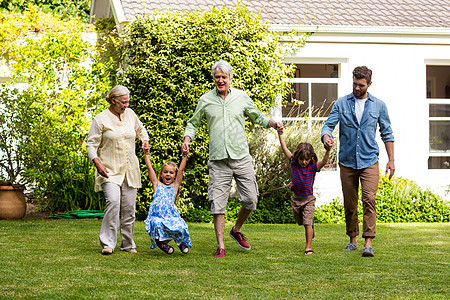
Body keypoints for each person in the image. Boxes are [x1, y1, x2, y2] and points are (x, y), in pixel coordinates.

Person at [182, 60, 283, 258]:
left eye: (224, 77)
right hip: (218, 159)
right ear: (214, 79)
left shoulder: (241, 97)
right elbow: (192, 124)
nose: (220, 80)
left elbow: (258, 117)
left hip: (241, 156)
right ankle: (220, 246)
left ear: (230, 78)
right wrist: (187, 139)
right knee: (217, 204)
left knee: (251, 199)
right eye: (217, 77)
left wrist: (273, 123)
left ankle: (236, 229)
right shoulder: (205, 100)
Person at [321, 66, 395, 257]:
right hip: (347, 161)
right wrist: (326, 138)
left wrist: (391, 160)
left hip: (369, 160)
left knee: (369, 199)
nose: (356, 88)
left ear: (369, 84)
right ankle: (352, 240)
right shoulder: (341, 104)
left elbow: (387, 133)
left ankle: (368, 242)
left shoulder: (379, 105)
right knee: (350, 202)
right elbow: (328, 126)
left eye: (361, 85)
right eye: (354, 84)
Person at [86, 85, 150, 255]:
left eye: (128, 101)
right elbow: (91, 144)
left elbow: (140, 129)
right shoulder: (101, 119)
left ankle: (128, 244)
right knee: (113, 202)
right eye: (123, 102)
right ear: (113, 101)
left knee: (129, 208)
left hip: (130, 169)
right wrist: (97, 164)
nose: (126, 105)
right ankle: (108, 243)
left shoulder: (130, 114)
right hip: (109, 170)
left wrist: (145, 140)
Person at [277, 132, 331, 255]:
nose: (304, 162)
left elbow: (323, 162)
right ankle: (310, 227)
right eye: (301, 159)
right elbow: (284, 147)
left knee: (307, 223)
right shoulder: (293, 164)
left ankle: (308, 248)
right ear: (297, 158)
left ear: (311, 158)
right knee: (301, 222)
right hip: (296, 200)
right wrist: (280, 134)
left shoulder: (312, 167)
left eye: (307, 159)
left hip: (308, 200)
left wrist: (328, 151)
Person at [143, 152, 192, 254]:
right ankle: (161, 244)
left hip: (171, 216)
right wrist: (146, 154)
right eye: (165, 172)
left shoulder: (174, 186)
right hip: (158, 216)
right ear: (161, 174)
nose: (168, 174)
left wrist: (184, 156)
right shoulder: (157, 185)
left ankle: (180, 242)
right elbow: (149, 168)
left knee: (180, 225)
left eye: (171, 173)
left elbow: (181, 170)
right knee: (156, 223)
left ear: (174, 176)